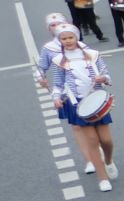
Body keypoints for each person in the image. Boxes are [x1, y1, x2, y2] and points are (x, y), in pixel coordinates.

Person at [47, 23, 115, 191]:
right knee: (92, 141)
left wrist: (103, 78)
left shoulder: (93, 54)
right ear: (59, 41)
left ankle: (108, 160)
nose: (68, 41)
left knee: (106, 140)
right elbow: (58, 83)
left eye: (70, 37)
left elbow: (106, 74)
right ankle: (102, 178)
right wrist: (56, 98)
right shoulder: (59, 61)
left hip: (97, 100)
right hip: (77, 103)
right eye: (64, 38)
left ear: (77, 38)